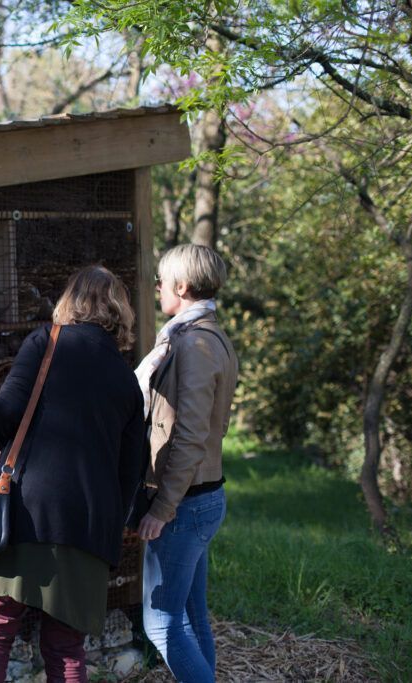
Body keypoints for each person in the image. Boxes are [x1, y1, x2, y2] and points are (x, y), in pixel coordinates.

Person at [0, 265, 147, 683]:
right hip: (89, 525)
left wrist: (2, 449)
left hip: (28, 508)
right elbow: (132, 469)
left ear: (71, 301)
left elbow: (7, 408)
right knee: (66, 648)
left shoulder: (46, 342)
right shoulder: (126, 379)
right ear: (119, 311)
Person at [134, 244, 239, 683]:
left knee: (161, 624)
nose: (156, 287)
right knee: (193, 617)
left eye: (161, 280)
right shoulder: (211, 337)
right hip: (204, 498)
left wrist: (162, 507)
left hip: (184, 504)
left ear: (181, 287)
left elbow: (192, 434)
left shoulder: (193, 344)